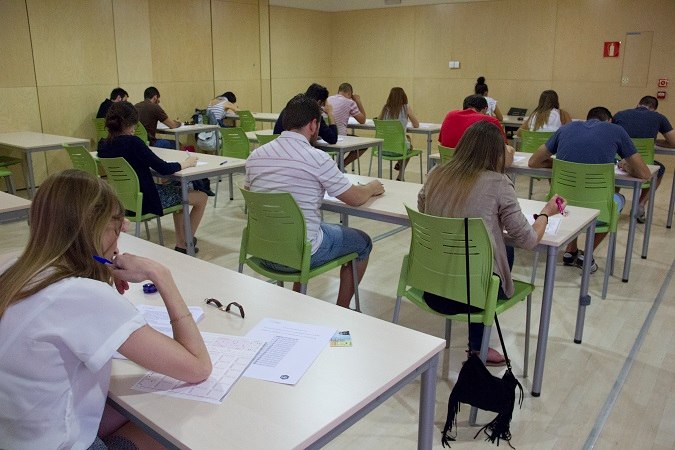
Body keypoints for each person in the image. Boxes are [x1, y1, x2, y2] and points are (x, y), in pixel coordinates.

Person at [0, 169, 211, 450]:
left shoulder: (11, 267)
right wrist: (160, 274)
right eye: (115, 221)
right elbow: (197, 367)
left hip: (13, 436)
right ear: (91, 227)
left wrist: (100, 279)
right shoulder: (82, 296)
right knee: (172, 422)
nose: (124, 227)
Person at [418, 121, 565, 365]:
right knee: (498, 253)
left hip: (433, 285)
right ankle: (478, 348)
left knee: (479, 254)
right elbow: (528, 240)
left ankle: (478, 346)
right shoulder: (498, 183)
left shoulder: (436, 173)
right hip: (473, 293)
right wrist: (546, 213)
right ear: (497, 153)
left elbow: (424, 209)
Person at [246, 94, 385, 308]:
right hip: (301, 253)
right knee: (362, 242)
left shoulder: (256, 155)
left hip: (262, 249)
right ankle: (342, 310)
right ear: (313, 125)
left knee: (307, 226)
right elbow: (355, 199)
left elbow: (253, 192)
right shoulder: (317, 158)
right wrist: (371, 187)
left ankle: (297, 299)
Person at [529, 106, 651, 272]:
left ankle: (570, 250)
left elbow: (533, 162)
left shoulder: (566, 129)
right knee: (617, 200)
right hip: (597, 207)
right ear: (608, 121)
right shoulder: (616, 130)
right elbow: (644, 173)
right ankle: (586, 255)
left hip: (561, 205)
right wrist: (626, 166)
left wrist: (558, 164)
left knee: (572, 199)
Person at [98, 101, 207, 254]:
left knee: (179, 190)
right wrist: (186, 163)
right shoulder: (133, 143)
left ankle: (182, 242)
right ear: (132, 123)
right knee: (201, 197)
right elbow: (163, 168)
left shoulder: (103, 145)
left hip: (122, 201)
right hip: (147, 201)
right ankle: (185, 243)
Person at [613, 95, 674, 222]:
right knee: (659, 169)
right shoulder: (659, 118)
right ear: (654, 108)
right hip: (643, 167)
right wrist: (658, 142)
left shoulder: (620, 115)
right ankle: (640, 205)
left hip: (618, 162)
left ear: (638, 104)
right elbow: (673, 141)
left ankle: (614, 200)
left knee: (615, 166)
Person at [439, 95, 512, 166]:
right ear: (485, 109)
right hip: (475, 172)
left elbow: (442, 142)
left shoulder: (450, 115)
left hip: (450, 167)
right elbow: (504, 153)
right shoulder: (491, 121)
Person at [274, 83, 338, 145]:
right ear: (319, 102)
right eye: (322, 104)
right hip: (299, 150)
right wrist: (330, 113)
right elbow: (332, 138)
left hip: (280, 146)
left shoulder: (290, 108)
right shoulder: (313, 113)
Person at [378, 87, 420, 180]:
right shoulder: (406, 108)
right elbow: (416, 125)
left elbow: (379, 121)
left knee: (406, 139)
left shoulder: (385, 108)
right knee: (408, 146)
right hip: (399, 150)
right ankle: (400, 175)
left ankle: (399, 163)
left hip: (384, 149)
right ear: (403, 96)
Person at [327, 82, 367, 166]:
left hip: (326, 136)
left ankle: (337, 166)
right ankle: (341, 165)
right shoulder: (349, 102)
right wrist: (358, 101)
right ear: (349, 93)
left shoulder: (328, 99)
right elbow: (362, 120)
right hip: (341, 138)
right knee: (364, 145)